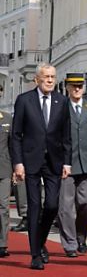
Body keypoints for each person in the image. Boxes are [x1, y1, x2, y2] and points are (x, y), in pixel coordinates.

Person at [11, 64, 72, 271]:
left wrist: (67, 161)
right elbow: (16, 135)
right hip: (30, 161)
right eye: (46, 76)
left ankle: (40, 241)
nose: (49, 80)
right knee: (35, 207)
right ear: (37, 79)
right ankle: (35, 254)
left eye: (53, 77)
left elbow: (66, 135)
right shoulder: (24, 100)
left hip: (54, 160)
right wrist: (18, 163)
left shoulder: (62, 101)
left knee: (52, 205)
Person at [58, 73, 87, 257]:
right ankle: (70, 244)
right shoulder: (61, 108)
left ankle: (80, 236)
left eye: (80, 86)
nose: (77, 89)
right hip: (66, 164)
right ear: (67, 87)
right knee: (66, 207)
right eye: (73, 86)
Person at [0, 108, 12, 258]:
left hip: (3, 168)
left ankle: (2, 244)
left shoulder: (7, 118)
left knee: (3, 206)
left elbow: (13, 144)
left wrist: (16, 167)